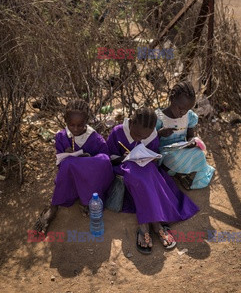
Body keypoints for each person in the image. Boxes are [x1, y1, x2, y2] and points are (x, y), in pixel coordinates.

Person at [107, 107, 199, 254]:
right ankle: (153, 223)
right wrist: (124, 158)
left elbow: (153, 157)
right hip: (125, 171)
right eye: (136, 134)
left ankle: (150, 224)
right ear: (131, 122)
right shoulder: (118, 132)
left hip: (146, 170)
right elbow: (109, 157)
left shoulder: (151, 135)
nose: (139, 139)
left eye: (144, 137)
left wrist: (145, 157)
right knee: (135, 175)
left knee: (148, 172)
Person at [34, 99, 114, 234]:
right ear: (65, 121)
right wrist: (70, 157)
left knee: (104, 159)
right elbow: (61, 165)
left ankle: (88, 200)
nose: (76, 129)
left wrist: (87, 160)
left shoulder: (95, 138)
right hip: (71, 181)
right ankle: (53, 208)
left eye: (80, 125)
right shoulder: (61, 137)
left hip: (91, 182)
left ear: (87, 121)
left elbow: (104, 168)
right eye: (71, 125)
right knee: (67, 163)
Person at [156, 81, 215, 191]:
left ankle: (178, 172)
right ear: (172, 99)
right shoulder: (159, 117)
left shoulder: (189, 116)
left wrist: (191, 142)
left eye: (186, 109)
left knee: (199, 154)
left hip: (182, 148)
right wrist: (159, 134)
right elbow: (151, 140)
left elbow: (190, 136)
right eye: (180, 108)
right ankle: (179, 173)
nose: (183, 112)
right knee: (175, 158)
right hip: (166, 152)